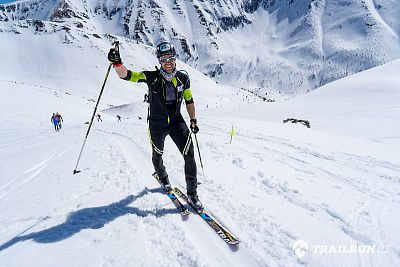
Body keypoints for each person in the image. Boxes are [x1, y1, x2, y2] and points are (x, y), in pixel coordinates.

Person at [108, 41, 203, 210]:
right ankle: (163, 176)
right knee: (157, 155)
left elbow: (189, 99)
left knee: (189, 154)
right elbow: (127, 75)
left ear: (175, 59)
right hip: (156, 124)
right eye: (164, 59)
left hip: (176, 121)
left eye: (171, 58)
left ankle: (192, 194)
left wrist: (193, 119)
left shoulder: (183, 78)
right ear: (159, 60)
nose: (168, 62)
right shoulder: (151, 77)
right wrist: (117, 64)